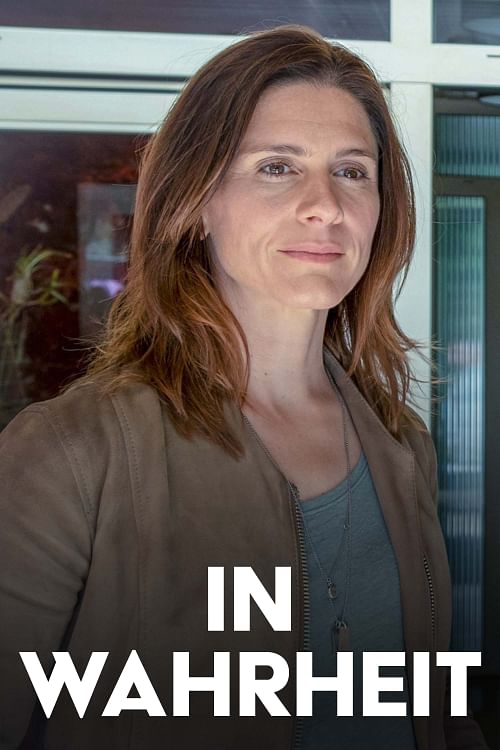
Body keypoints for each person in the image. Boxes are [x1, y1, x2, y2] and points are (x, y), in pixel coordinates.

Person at [0, 24, 488, 750]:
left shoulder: (400, 442)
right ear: (196, 202)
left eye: (353, 171)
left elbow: (432, 709)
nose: (326, 205)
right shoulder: (71, 452)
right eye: (277, 167)